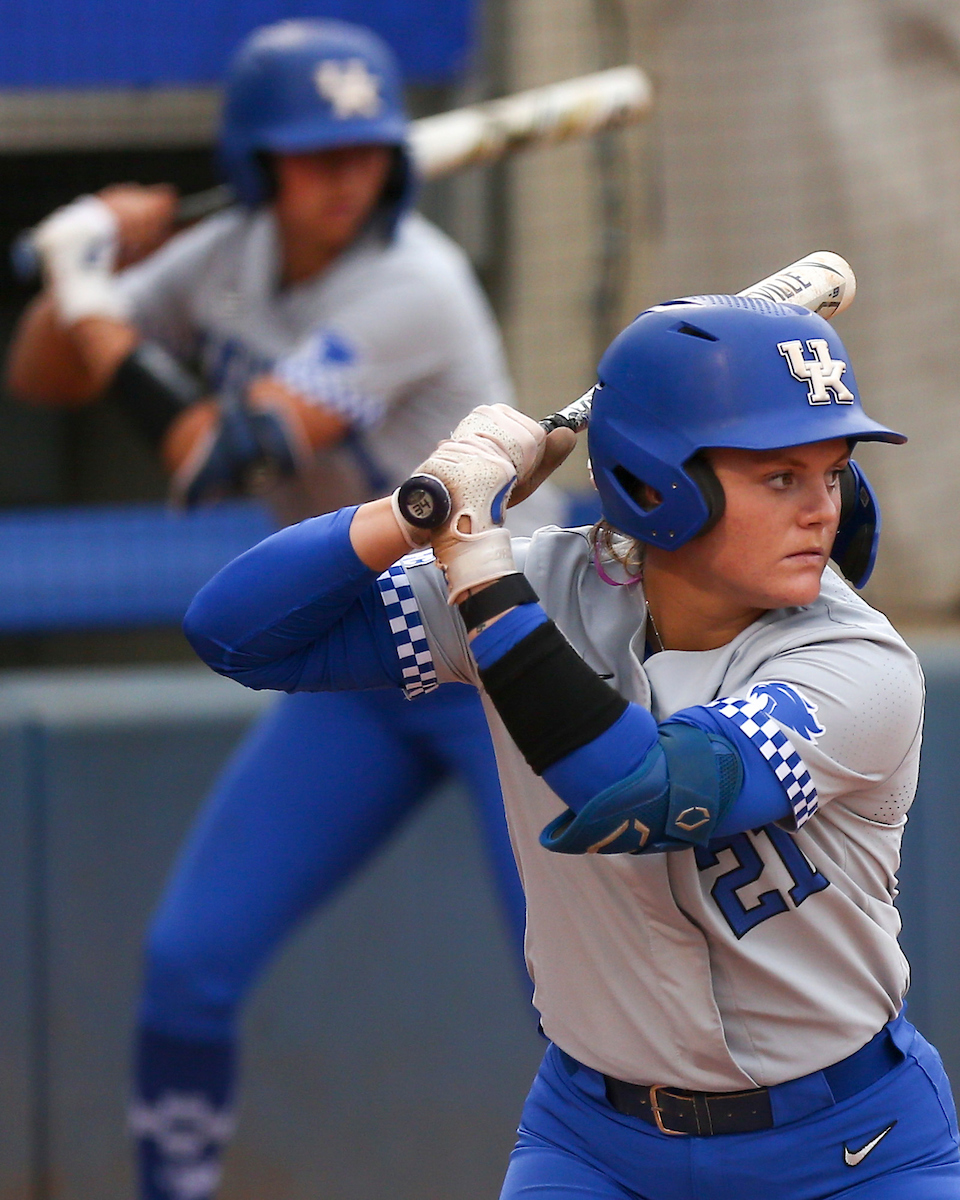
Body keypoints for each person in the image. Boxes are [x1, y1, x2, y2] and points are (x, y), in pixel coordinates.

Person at [182, 294, 960, 1199]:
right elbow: (236, 633)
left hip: (848, 1150)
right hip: (596, 1148)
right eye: (779, 477)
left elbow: (649, 790)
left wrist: (474, 558)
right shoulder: (550, 579)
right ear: (657, 483)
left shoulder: (858, 661)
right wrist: (418, 505)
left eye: (832, 472)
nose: (821, 509)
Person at [4, 19, 564, 1200]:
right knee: (187, 965)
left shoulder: (418, 280)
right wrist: (82, 273)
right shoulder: (224, 260)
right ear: (258, 165)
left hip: (493, 660)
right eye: (314, 154)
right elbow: (41, 373)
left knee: (573, 998)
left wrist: (89, 283)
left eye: (364, 149)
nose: (345, 177)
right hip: (361, 666)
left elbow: (218, 455)